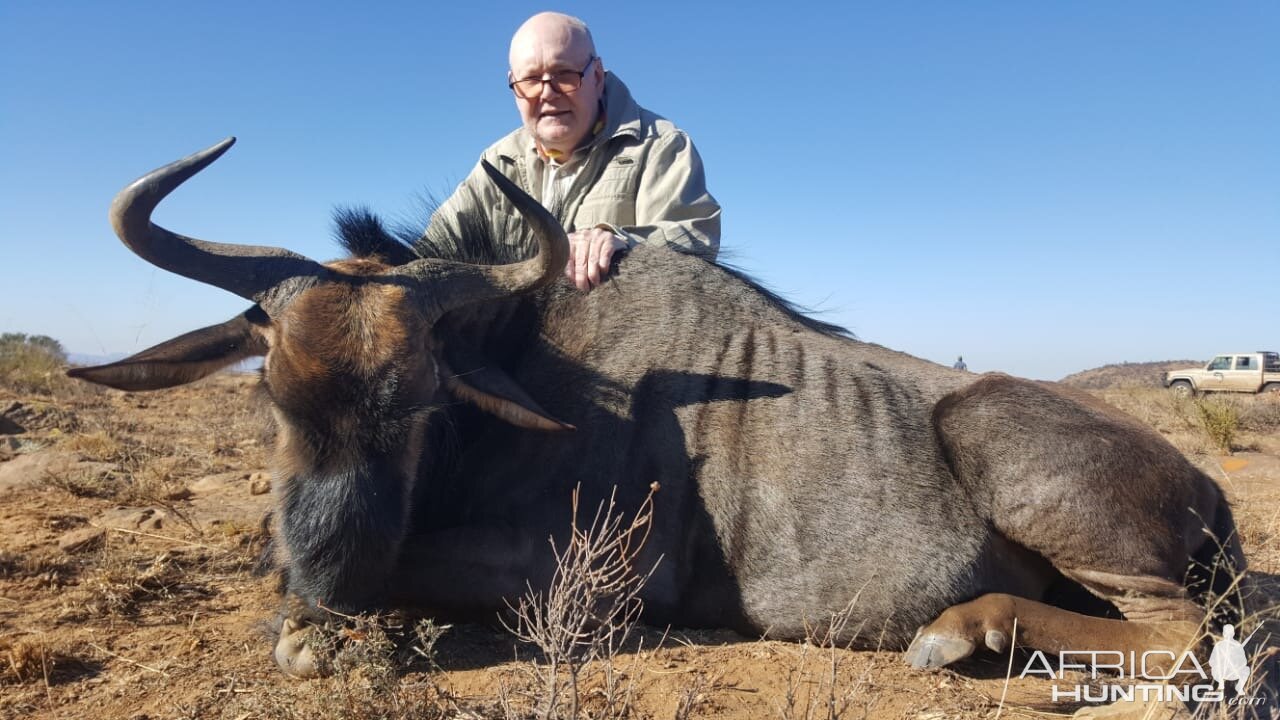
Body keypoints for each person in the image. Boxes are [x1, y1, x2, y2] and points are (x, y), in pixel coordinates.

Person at [426, 12, 720, 291]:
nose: (547, 93)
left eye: (564, 74)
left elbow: (696, 238)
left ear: (597, 77)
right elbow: (428, 252)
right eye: (530, 80)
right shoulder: (497, 163)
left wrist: (622, 241)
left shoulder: (660, 145)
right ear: (513, 85)